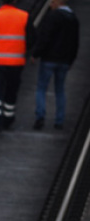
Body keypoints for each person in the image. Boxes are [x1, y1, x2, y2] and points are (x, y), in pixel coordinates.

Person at [0, 0, 35, 131]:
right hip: (16, 62)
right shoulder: (24, 16)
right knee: (11, 89)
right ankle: (8, 118)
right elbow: (32, 39)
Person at [33, 0, 79, 130]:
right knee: (60, 90)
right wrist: (71, 60)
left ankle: (40, 117)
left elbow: (45, 37)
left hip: (49, 59)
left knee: (41, 88)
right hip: (64, 61)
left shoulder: (52, 17)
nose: (50, 5)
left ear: (59, 2)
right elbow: (75, 42)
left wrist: (36, 54)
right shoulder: (73, 18)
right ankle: (59, 120)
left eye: (52, 2)